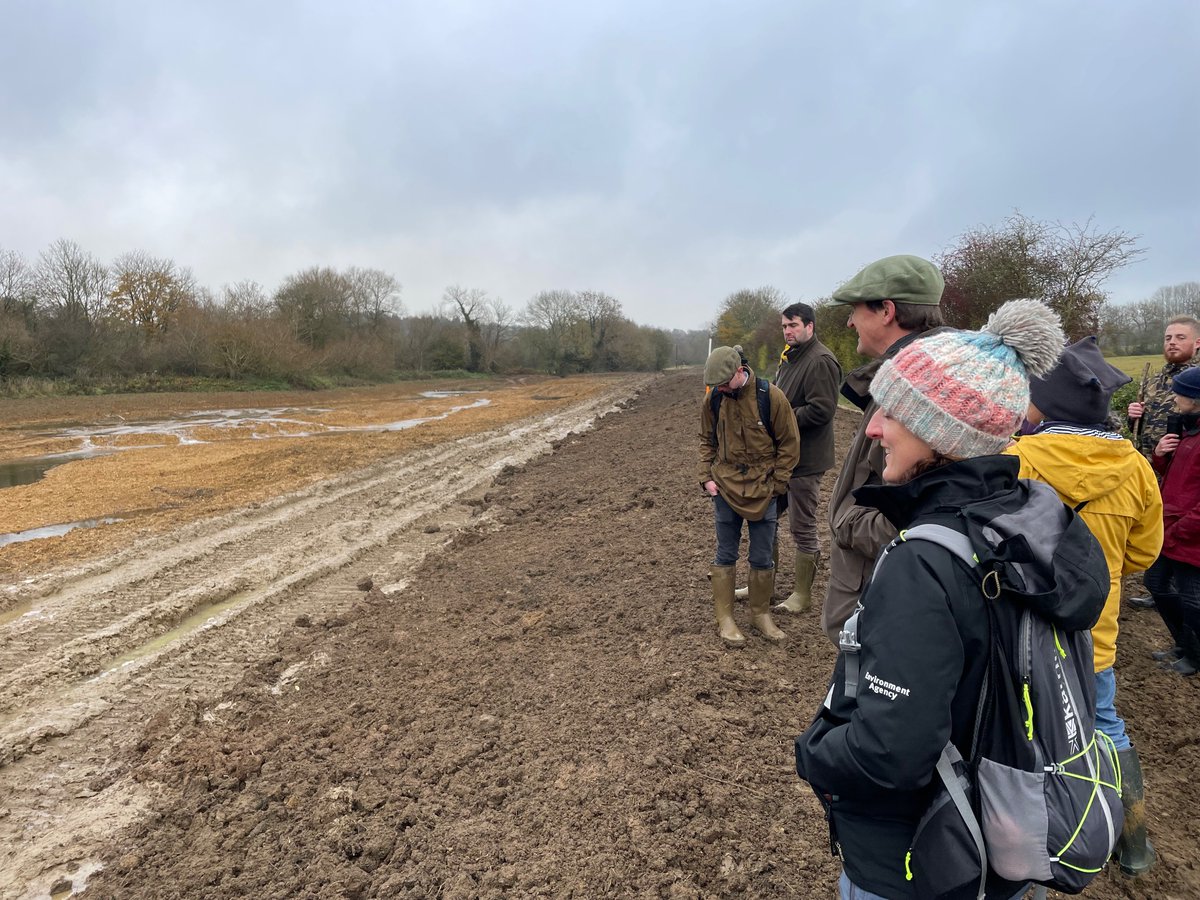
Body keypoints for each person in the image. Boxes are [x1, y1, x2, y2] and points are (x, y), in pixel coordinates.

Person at [795, 299, 1103, 900]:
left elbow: (890, 753)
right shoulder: (1034, 521)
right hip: (1008, 833)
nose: (875, 428)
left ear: (941, 429)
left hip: (925, 857)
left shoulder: (925, 561)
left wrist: (814, 752)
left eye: (892, 412)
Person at [1006, 335, 1162, 877]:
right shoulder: (1136, 466)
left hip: (1025, 638)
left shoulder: (1017, 459)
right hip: (1096, 636)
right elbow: (1145, 551)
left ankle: (1037, 856)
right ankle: (1133, 839)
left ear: (1047, 404)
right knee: (1104, 724)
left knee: (1028, 738)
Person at [821, 255, 946, 645]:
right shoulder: (906, 374)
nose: (849, 322)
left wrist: (848, 523)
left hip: (879, 590)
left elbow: (926, 511)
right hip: (874, 582)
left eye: (855, 310)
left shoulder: (922, 386)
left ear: (887, 311)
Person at [735, 302, 842, 612]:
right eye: (784, 326)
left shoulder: (820, 361)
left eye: (793, 325)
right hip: (781, 460)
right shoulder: (791, 358)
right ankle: (763, 587)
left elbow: (822, 410)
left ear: (810, 326)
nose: (787, 331)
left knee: (802, 526)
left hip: (806, 461)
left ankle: (801, 596)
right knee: (764, 517)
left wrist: (780, 417)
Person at [699, 345, 800, 647]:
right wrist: (706, 477)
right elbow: (706, 439)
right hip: (725, 485)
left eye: (724, 383)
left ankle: (760, 614)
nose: (719, 389)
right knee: (725, 552)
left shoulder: (771, 398)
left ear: (740, 372)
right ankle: (725, 619)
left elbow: (789, 445)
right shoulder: (714, 398)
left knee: (762, 554)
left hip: (763, 487)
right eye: (715, 385)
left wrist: (777, 484)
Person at [1126, 315, 1200, 609]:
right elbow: (1143, 423)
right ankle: (1159, 586)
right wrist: (1135, 413)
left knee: (1176, 528)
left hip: (1183, 471)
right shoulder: (1155, 381)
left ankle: (1172, 588)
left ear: (1196, 343)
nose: (1172, 343)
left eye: (1180, 337)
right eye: (1168, 338)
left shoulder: (1195, 381)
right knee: (1154, 525)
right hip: (1151, 463)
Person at [1144, 366, 1200, 677]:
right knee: (1155, 583)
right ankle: (1183, 643)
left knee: (1193, 599)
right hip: (1171, 529)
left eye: (1179, 392)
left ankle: (1195, 653)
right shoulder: (1188, 431)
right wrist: (1161, 454)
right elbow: (1173, 477)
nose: (1174, 397)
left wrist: (1181, 530)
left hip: (1188, 535)